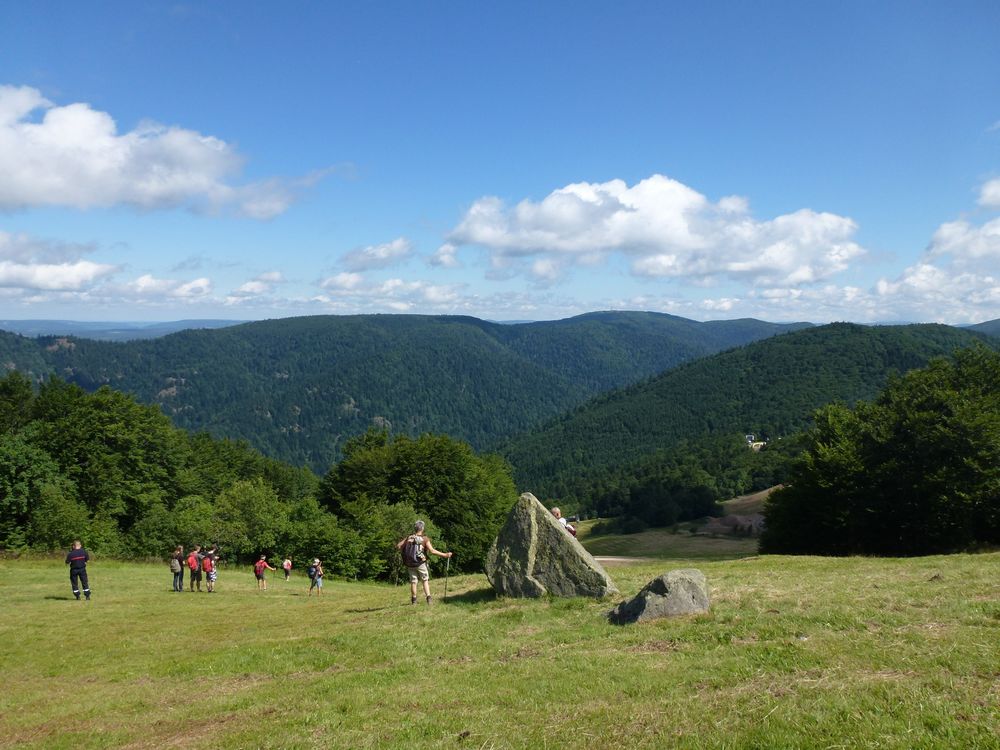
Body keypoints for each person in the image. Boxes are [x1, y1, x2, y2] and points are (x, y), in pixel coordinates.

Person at [396, 520, 452, 605]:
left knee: (414, 582)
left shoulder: (409, 537)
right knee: (425, 580)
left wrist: (408, 540)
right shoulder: (424, 538)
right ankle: (429, 599)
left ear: (415, 528)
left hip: (410, 563)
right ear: (422, 528)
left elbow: (398, 546)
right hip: (420, 563)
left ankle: (414, 600)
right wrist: (445, 555)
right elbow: (432, 551)